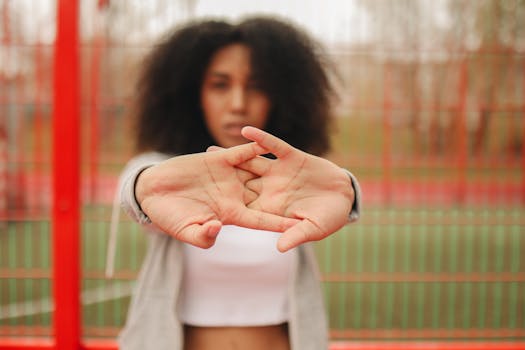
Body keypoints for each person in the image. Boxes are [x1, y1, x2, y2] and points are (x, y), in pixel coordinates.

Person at [117, 15, 361, 350]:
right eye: (220, 85)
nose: (237, 104)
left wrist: (348, 191)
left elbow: (333, 189)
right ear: (193, 94)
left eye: (257, 86)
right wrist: (143, 187)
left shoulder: (293, 179)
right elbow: (138, 185)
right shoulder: (167, 171)